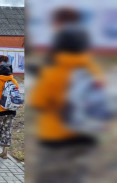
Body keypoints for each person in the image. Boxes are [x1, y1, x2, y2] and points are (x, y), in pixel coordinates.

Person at [29, 7, 103, 183]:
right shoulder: (93, 69)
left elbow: (37, 102)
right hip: (85, 135)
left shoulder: (53, 71)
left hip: (56, 137)